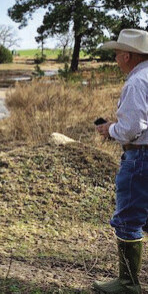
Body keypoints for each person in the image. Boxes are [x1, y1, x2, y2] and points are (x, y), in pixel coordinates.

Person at [94, 28, 148, 294]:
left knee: (128, 218)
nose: (115, 57)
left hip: (141, 156)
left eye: (116, 53)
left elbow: (132, 128)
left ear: (127, 55)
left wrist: (110, 130)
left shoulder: (137, 82)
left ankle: (128, 285)